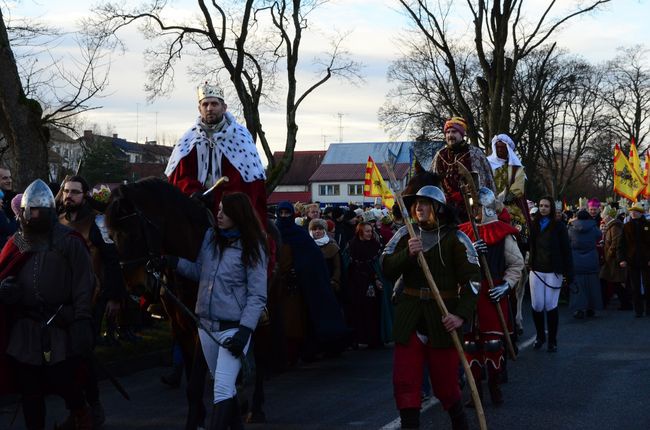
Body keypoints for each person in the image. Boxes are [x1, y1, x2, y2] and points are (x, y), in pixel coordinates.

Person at [382, 185, 481, 430]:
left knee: (446, 385)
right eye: (415, 203)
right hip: (410, 316)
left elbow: (473, 280)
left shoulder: (456, 238)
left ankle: (460, 424)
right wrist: (408, 254)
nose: (418, 208)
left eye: (424, 203)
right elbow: (385, 267)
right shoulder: (405, 234)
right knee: (405, 381)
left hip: (443, 318)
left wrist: (460, 315)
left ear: (438, 207)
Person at [166, 192, 268, 429]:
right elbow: (199, 272)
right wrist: (173, 263)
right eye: (219, 209)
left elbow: (257, 295)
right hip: (206, 327)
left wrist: (245, 331)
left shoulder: (253, 246)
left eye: (224, 211)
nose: (218, 214)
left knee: (221, 388)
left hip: (234, 329)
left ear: (238, 214)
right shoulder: (211, 238)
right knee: (225, 387)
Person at [0, 179, 95, 429]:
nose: (29, 216)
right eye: (27, 211)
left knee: (63, 380)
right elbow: (4, 269)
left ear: (47, 211)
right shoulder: (19, 240)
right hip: (26, 328)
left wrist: (82, 318)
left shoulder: (68, 240)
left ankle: (81, 413)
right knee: (30, 391)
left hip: (59, 325)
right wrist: (4, 290)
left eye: (34, 210)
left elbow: (85, 283)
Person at [55, 175, 127, 427]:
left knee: (80, 357)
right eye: (66, 191)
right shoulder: (57, 221)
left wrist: (115, 297)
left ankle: (90, 407)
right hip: (62, 302)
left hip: (91, 299)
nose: (69, 196)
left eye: (75, 192)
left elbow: (112, 261)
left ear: (85, 195)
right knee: (63, 360)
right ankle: (79, 409)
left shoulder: (98, 222)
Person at [165, 82, 267, 226]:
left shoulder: (240, 137)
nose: (209, 108)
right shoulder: (189, 139)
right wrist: (194, 192)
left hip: (231, 209)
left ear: (224, 107)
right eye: (205, 104)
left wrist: (220, 200)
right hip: (195, 205)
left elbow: (247, 181)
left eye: (214, 104)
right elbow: (180, 176)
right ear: (199, 109)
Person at [458, 187, 524, 406]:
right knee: (470, 345)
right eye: (472, 206)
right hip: (469, 294)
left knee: (493, 344)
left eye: (477, 207)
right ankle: (475, 393)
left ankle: (495, 387)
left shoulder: (502, 233)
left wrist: (506, 286)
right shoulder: (462, 233)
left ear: (486, 208)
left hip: (492, 292)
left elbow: (517, 264)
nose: (473, 210)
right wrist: (469, 253)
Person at [528, 196, 573, 352]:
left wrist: (569, 273)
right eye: (540, 205)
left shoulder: (559, 226)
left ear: (551, 207)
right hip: (536, 270)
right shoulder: (533, 225)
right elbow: (529, 246)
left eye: (546, 206)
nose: (543, 208)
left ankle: (552, 340)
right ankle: (540, 336)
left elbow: (566, 250)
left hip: (554, 271)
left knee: (550, 305)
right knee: (537, 305)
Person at [431, 117, 495, 221]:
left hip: (471, 209)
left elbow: (485, 182)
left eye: (454, 132)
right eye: (448, 132)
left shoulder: (475, 154)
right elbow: (433, 183)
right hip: (446, 209)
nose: (450, 135)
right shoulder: (439, 155)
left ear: (462, 134)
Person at [347, 221, 385, 348]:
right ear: (360, 232)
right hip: (356, 284)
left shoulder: (375, 245)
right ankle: (358, 338)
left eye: (371, 231)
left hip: (373, 284)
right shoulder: (352, 245)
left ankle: (374, 339)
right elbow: (349, 265)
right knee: (358, 311)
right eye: (367, 231)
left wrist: (376, 279)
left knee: (373, 312)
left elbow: (377, 265)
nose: (370, 233)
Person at [567, 209, 603, 319]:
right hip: (591, 260)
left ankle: (578, 309)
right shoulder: (593, 228)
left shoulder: (571, 229)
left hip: (576, 261)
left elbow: (567, 241)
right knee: (592, 286)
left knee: (578, 286)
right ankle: (591, 308)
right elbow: (599, 235)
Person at [618, 204, 650, 318]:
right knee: (634, 286)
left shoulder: (648, 225)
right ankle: (638, 310)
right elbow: (621, 244)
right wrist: (622, 259)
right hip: (632, 260)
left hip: (646, 260)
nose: (633, 213)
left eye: (636, 211)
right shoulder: (626, 226)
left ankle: (648, 309)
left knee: (648, 285)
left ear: (641, 213)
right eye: (632, 211)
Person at [599, 207, 631, 310]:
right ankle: (621, 303)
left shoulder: (615, 226)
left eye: (603, 217)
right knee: (612, 281)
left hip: (613, 260)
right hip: (612, 259)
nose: (603, 219)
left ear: (608, 216)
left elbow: (616, 243)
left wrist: (608, 255)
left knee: (615, 282)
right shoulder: (612, 226)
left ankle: (625, 304)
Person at [309, 218, 341, 294]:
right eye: (314, 229)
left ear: (325, 231)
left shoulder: (332, 246)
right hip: (311, 285)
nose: (317, 231)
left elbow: (337, 267)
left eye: (320, 228)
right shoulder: (307, 246)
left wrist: (334, 280)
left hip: (329, 283)